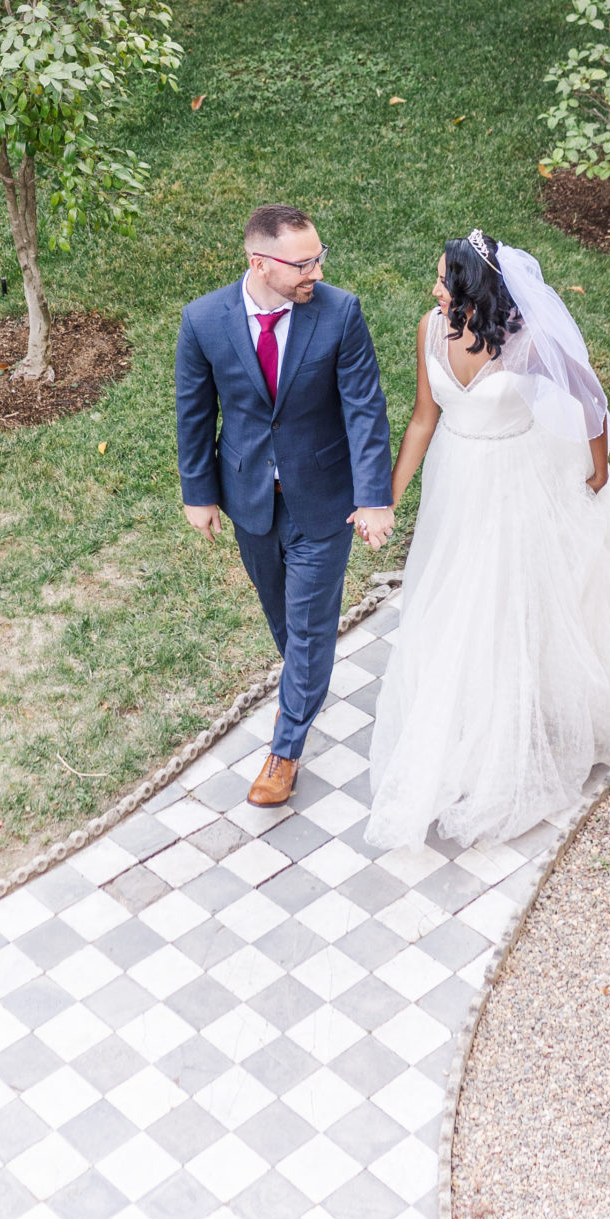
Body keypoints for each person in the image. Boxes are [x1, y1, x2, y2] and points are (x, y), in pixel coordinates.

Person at [366, 229, 610, 853]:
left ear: (474, 288)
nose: (433, 288)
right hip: (456, 484)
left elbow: (591, 399)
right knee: (452, 597)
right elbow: (422, 418)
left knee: (512, 600)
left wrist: (598, 470)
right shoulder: (429, 330)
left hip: (518, 484)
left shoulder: (531, 341)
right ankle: (467, 718)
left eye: (443, 279)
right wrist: (388, 495)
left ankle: (524, 721)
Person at [177, 204, 394, 808]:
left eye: (319, 258)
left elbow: (365, 409)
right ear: (259, 263)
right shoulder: (203, 322)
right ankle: (307, 675)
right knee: (287, 622)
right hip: (250, 498)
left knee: (309, 624)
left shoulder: (340, 313)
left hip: (324, 501)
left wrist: (374, 497)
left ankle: (285, 749)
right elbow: (195, 414)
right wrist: (199, 491)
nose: (316, 273)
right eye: (303, 263)